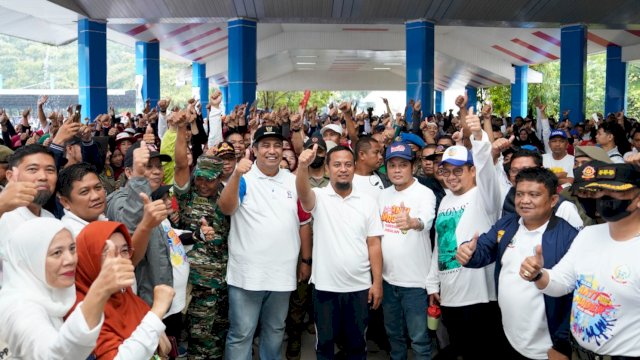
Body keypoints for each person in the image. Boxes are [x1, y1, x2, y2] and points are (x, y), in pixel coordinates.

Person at [521, 162, 640, 359]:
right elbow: (562, 282)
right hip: (578, 352)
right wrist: (538, 274)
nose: (602, 198)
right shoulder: (588, 235)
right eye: (599, 191)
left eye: (613, 192)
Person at [458, 168, 577, 359]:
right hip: (508, 336)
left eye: (534, 194)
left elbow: (574, 296)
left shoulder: (568, 237)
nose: (524, 200)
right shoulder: (507, 224)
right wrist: (467, 252)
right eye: (520, 194)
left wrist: (563, 345)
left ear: (553, 200)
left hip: (547, 348)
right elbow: (483, 249)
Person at [218, 126, 311, 360]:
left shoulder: (294, 181)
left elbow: (304, 223)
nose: (272, 150)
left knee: (275, 331)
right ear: (255, 150)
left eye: (277, 145)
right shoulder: (243, 180)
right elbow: (226, 208)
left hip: (281, 275)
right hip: (247, 275)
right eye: (265, 145)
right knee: (242, 334)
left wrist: (306, 261)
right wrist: (237, 174)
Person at [425, 108, 503, 360]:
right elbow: (440, 243)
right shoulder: (446, 201)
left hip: (479, 298)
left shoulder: (484, 198)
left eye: (458, 170)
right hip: (449, 295)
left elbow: (488, 172)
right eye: (446, 171)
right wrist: (433, 282)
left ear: (471, 171)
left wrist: (479, 136)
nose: (451, 176)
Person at [0, 218, 134, 359]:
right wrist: (100, 289)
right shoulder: (18, 309)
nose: (70, 259)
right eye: (57, 253)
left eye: (72, 249)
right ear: (29, 260)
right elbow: (53, 356)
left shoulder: (54, 295)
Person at [296, 144, 383, 360]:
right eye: (336, 165)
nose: (342, 169)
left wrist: (377, 282)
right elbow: (303, 194)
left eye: (347, 164)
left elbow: (374, 244)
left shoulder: (368, 202)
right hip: (325, 287)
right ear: (327, 169)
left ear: (354, 167)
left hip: (360, 288)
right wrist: (301, 167)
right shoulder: (318, 196)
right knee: (324, 346)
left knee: (356, 346)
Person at [74, 221, 176, 360]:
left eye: (124, 251)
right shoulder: (83, 308)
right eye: (108, 253)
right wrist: (157, 313)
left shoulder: (121, 290)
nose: (121, 260)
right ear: (89, 258)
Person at [173, 114, 230, 360]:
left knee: (219, 337)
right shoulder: (188, 197)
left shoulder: (226, 199)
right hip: (197, 282)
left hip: (224, 280)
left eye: (210, 179)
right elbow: (180, 165)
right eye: (200, 178)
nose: (203, 184)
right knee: (199, 339)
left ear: (219, 179)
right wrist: (182, 129)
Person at [378, 142, 436, 359]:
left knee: (419, 339)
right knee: (394, 336)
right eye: (392, 165)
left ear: (413, 166)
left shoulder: (425, 193)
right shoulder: (382, 195)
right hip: (387, 280)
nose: (397, 170)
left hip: (415, 283)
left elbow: (426, 221)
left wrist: (414, 223)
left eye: (403, 165)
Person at [106, 140, 172, 306]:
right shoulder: (118, 201)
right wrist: (138, 178)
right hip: (137, 304)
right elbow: (130, 231)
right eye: (148, 167)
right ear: (129, 172)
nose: (157, 172)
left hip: (155, 302)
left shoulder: (151, 198)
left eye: (159, 166)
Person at [0, 145, 57, 286]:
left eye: (50, 170)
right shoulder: (4, 217)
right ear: (11, 176)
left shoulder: (50, 219)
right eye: (33, 169)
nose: (43, 177)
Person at [501, 148, 584, 229]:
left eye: (527, 170)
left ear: (541, 170)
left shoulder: (563, 208)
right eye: (514, 170)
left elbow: (577, 240)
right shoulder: (510, 196)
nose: (520, 175)